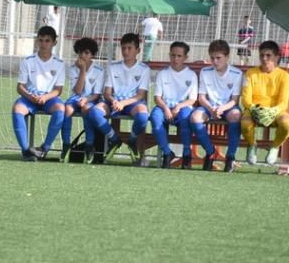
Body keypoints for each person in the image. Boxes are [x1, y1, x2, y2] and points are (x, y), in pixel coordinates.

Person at [87, 33, 151, 165]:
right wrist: (113, 101)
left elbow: (140, 95)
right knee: (94, 112)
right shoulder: (113, 67)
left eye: (129, 48)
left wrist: (123, 103)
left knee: (143, 116)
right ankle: (114, 138)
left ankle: (132, 140)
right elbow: (107, 93)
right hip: (114, 102)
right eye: (123, 48)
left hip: (133, 102)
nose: (126, 51)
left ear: (137, 50)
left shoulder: (144, 69)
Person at [11, 26, 66, 161]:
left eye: (47, 41)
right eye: (41, 40)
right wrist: (31, 96)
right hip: (30, 98)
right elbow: (20, 87)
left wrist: (45, 97)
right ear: (37, 41)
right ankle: (26, 151)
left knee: (61, 109)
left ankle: (44, 148)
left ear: (54, 43)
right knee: (17, 108)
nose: (43, 44)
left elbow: (58, 90)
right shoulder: (28, 61)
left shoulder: (59, 63)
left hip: (49, 98)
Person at [189, 39, 243, 173]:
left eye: (218, 58)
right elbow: (201, 97)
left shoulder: (237, 73)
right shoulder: (205, 71)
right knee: (195, 118)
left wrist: (222, 108)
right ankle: (210, 152)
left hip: (227, 107)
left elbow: (235, 100)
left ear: (227, 57)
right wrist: (210, 109)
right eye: (212, 58)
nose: (215, 61)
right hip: (209, 106)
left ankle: (230, 157)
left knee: (236, 116)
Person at [149, 41, 198, 169]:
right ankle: (167, 153)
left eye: (179, 56)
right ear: (169, 55)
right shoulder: (163, 73)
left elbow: (192, 99)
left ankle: (186, 154)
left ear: (185, 57)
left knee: (186, 118)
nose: (175, 59)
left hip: (181, 108)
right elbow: (157, 97)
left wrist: (178, 106)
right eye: (173, 55)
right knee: (155, 118)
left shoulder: (191, 75)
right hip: (164, 106)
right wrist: (166, 108)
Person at [240, 40, 289, 166]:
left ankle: (275, 147)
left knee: (286, 123)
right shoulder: (250, 73)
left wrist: (273, 111)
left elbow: (284, 102)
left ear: (277, 57)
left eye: (268, 55)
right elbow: (245, 98)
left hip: (275, 111)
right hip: (254, 110)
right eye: (261, 55)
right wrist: (253, 108)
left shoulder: (284, 76)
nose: (264, 58)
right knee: (245, 123)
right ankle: (252, 145)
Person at [59, 37, 105, 163]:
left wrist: (86, 100)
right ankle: (66, 144)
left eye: (86, 53)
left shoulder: (99, 71)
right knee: (67, 109)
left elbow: (96, 94)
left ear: (92, 55)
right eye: (80, 52)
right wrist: (82, 71)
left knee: (86, 109)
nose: (83, 55)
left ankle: (89, 145)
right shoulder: (73, 68)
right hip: (77, 97)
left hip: (91, 99)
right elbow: (78, 91)